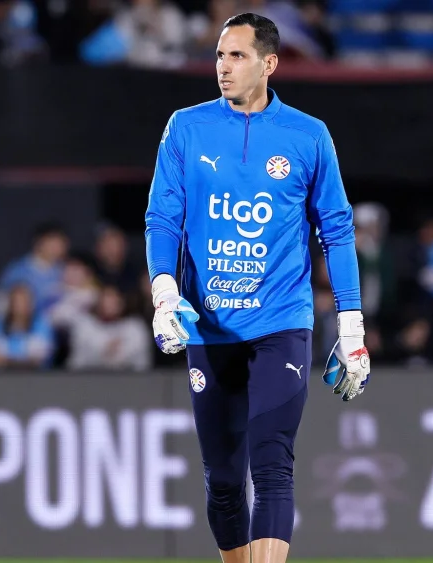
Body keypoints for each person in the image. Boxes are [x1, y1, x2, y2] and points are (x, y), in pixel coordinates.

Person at [143, 13, 370, 563]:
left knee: (271, 464)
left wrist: (352, 327)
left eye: (238, 55)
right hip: (209, 325)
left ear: (269, 63)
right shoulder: (186, 127)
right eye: (220, 55)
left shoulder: (308, 135)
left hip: (281, 322)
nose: (223, 66)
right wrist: (164, 293)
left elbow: (337, 230)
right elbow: (162, 219)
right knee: (223, 481)